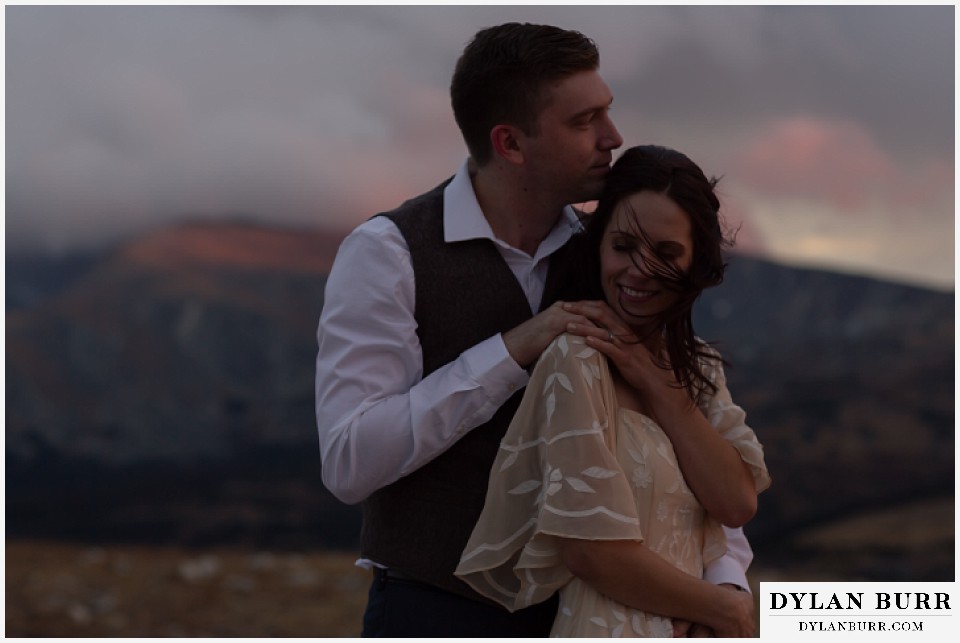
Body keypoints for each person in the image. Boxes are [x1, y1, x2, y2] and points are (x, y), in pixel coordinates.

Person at [315, 23, 756, 637]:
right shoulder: (387, 253)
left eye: (608, 112)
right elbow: (348, 461)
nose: (613, 138)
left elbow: (675, 435)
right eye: (585, 121)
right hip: (435, 614)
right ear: (511, 143)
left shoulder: (614, 259)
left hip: (588, 617)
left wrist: (724, 585)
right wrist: (509, 352)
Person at [455, 145, 772, 637]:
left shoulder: (697, 365)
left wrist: (656, 382)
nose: (639, 270)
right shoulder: (575, 358)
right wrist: (722, 609)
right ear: (599, 245)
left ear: (695, 262)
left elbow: (735, 502)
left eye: (666, 253)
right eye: (624, 246)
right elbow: (588, 550)